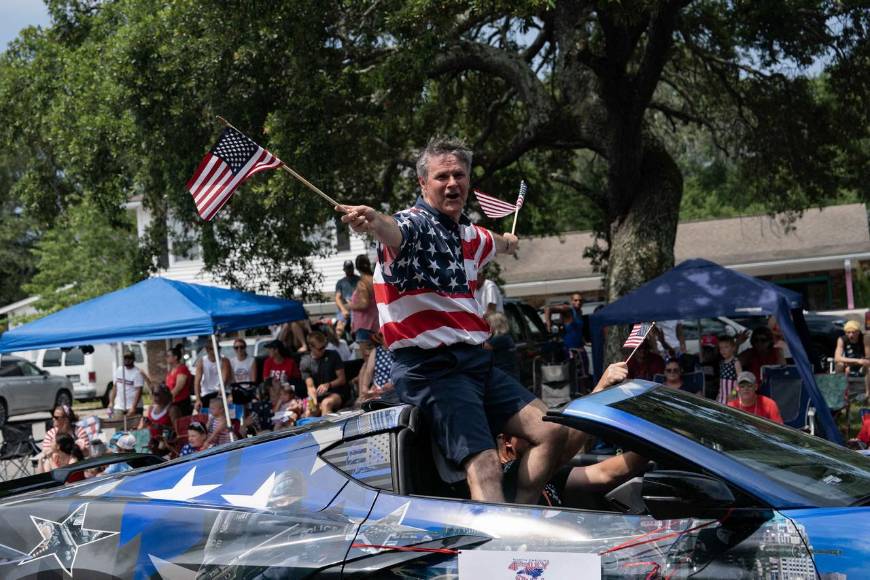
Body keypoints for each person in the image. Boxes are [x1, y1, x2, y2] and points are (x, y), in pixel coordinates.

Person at [339, 135, 629, 503]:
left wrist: (509, 242)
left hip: (477, 363)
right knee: (486, 464)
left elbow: (497, 240)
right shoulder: (412, 226)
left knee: (552, 433)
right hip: (433, 370)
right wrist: (372, 221)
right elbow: (391, 230)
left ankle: (520, 519)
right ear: (422, 184)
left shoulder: (470, 236)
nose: (452, 183)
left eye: (459, 175)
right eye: (441, 176)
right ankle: (500, 553)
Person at [497, 434, 647, 508]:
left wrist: (651, 445)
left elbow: (605, 473)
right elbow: (561, 450)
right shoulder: (506, 473)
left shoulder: (545, 474)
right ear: (507, 441)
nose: (536, 437)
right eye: (527, 434)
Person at [300, 331, 348, 415]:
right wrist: (314, 402)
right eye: (320, 348)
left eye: (324, 346)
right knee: (309, 412)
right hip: (318, 396)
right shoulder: (305, 362)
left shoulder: (333, 355)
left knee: (326, 403)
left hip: (337, 392)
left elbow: (342, 379)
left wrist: (328, 385)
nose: (323, 350)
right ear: (311, 347)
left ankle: (327, 428)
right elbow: (310, 387)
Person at [348, 254, 379, 353]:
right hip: (376, 324)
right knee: (376, 358)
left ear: (357, 267)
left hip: (364, 326)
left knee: (367, 359)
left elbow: (364, 304)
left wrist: (350, 305)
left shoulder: (362, 283)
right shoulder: (375, 279)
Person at [834, 320, 870, 401]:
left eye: (853, 332)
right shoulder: (842, 340)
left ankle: (867, 395)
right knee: (839, 365)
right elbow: (837, 358)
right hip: (850, 363)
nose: (851, 335)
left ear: (858, 331)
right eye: (848, 332)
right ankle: (841, 394)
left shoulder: (865, 338)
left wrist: (862, 362)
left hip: (863, 365)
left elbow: (868, 358)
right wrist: (856, 361)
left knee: (868, 366)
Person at [357, 331, 396, 405]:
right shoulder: (376, 351)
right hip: (378, 391)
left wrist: (393, 383)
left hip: (395, 388)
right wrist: (365, 387)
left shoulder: (395, 349)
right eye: (382, 337)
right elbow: (368, 372)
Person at [194, 341, 232, 413]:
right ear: (207, 350)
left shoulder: (224, 361)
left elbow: (224, 380)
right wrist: (198, 399)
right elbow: (197, 382)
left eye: (218, 348)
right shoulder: (202, 361)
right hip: (207, 393)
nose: (217, 350)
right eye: (214, 348)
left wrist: (220, 392)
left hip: (222, 392)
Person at [262, 339, 301, 404]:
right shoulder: (268, 362)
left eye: (270, 349)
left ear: (276, 350)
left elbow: (296, 380)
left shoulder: (290, 362)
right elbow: (266, 380)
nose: (268, 351)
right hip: (273, 392)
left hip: (286, 391)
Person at [108, 350, 145, 417]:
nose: (127, 360)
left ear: (133, 359)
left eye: (129, 358)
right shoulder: (119, 370)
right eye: (125, 358)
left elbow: (139, 391)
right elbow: (115, 387)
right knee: (119, 425)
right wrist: (111, 402)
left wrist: (133, 407)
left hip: (133, 407)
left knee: (133, 426)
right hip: (119, 406)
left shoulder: (137, 372)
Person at [483, 311, 519, 379]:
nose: (488, 326)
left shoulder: (500, 338)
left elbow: (482, 347)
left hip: (505, 375)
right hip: (509, 374)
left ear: (495, 325)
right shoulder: (506, 337)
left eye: (489, 323)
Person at [166, 343, 193, 416]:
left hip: (182, 404)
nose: (166, 358)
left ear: (175, 357)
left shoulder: (182, 369)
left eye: (168, 356)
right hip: (173, 403)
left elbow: (178, 387)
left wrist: (166, 399)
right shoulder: (171, 370)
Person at [717, 334, 742, 404]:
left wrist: (734, 392)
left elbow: (740, 380)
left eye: (726, 347)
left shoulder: (735, 362)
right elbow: (721, 382)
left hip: (733, 398)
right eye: (721, 348)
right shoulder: (722, 363)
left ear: (733, 348)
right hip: (721, 399)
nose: (723, 350)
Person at [334, 259, 360, 325]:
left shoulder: (360, 280)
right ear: (344, 269)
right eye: (347, 268)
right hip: (345, 306)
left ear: (353, 268)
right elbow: (337, 298)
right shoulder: (340, 282)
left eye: (350, 267)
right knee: (340, 324)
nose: (349, 270)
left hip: (357, 307)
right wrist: (343, 310)